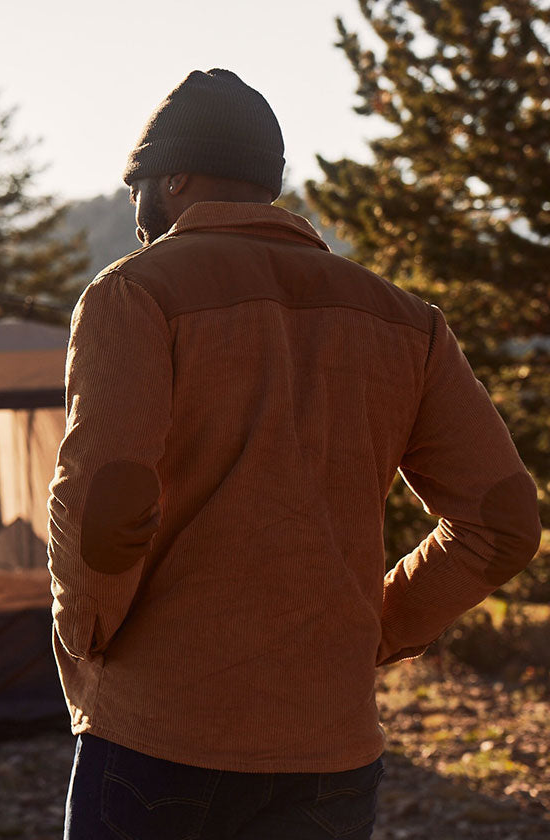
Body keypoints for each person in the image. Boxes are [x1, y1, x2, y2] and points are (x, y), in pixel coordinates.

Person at [46, 69, 541, 840]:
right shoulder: (406, 322)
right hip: (329, 749)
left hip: (161, 732)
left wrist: (86, 638)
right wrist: (375, 627)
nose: (136, 216)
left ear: (171, 177)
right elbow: (505, 519)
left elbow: (105, 500)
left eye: (136, 189)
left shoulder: (135, 294)